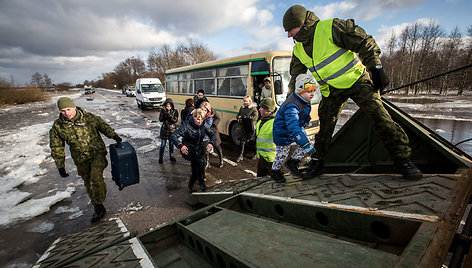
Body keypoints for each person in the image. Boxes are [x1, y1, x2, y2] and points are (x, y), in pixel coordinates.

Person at [282, 5, 422, 180]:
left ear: (301, 24)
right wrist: (291, 98)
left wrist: (376, 67)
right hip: (332, 89)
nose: (288, 35)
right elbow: (296, 75)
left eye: (290, 30)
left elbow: (363, 40)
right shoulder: (298, 49)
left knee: (380, 116)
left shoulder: (330, 28)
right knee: (325, 126)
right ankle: (318, 162)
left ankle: (402, 159)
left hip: (356, 80)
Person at [49, 97, 122, 223]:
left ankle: (99, 205)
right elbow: (56, 147)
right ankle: (98, 205)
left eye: (68, 109)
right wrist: (60, 165)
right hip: (80, 158)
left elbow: (103, 126)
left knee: (96, 177)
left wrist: (114, 136)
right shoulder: (58, 127)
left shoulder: (88, 118)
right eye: (63, 111)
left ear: (74, 107)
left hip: (96, 154)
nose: (67, 113)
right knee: (88, 182)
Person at [270, 74, 317, 183]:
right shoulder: (292, 105)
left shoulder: (302, 100)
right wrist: (304, 142)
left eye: (314, 90)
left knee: (306, 145)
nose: (312, 93)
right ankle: (275, 171)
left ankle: (292, 162)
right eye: (309, 91)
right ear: (300, 91)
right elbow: (293, 125)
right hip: (283, 133)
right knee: (282, 154)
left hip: (295, 130)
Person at [171, 108, 215, 192]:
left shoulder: (203, 125)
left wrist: (211, 143)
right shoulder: (187, 125)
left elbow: (212, 135)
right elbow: (173, 136)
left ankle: (193, 184)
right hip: (188, 150)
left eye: (202, 119)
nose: (200, 121)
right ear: (193, 117)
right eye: (198, 119)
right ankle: (200, 183)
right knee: (201, 162)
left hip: (197, 149)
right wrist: (181, 145)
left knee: (196, 166)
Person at [255, 97, 277, 177]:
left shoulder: (276, 123)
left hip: (272, 161)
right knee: (259, 181)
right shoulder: (261, 121)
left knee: (275, 184)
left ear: (268, 110)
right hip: (261, 158)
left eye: (262, 108)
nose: (259, 109)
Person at [199, 101, 224, 168]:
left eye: (204, 109)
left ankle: (221, 159)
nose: (202, 110)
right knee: (205, 146)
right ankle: (207, 162)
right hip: (205, 132)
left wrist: (213, 125)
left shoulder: (212, 112)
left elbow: (218, 118)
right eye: (201, 109)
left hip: (213, 131)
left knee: (216, 145)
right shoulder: (200, 113)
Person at [235, 96, 258, 162]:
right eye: (244, 101)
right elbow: (238, 114)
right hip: (243, 126)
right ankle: (240, 155)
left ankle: (256, 153)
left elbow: (256, 117)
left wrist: (249, 118)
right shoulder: (242, 108)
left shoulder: (253, 108)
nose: (245, 102)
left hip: (251, 126)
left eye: (246, 101)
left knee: (253, 140)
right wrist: (238, 117)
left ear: (250, 101)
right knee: (242, 141)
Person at [159, 98, 178, 164]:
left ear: (172, 105)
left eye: (169, 105)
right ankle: (160, 157)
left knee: (171, 144)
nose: (168, 107)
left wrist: (168, 115)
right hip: (164, 129)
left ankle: (171, 155)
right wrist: (164, 114)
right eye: (167, 105)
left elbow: (175, 120)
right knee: (163, 145)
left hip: (172, 130)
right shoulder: (163, 111)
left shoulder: (175, 111)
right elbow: (160, 119)